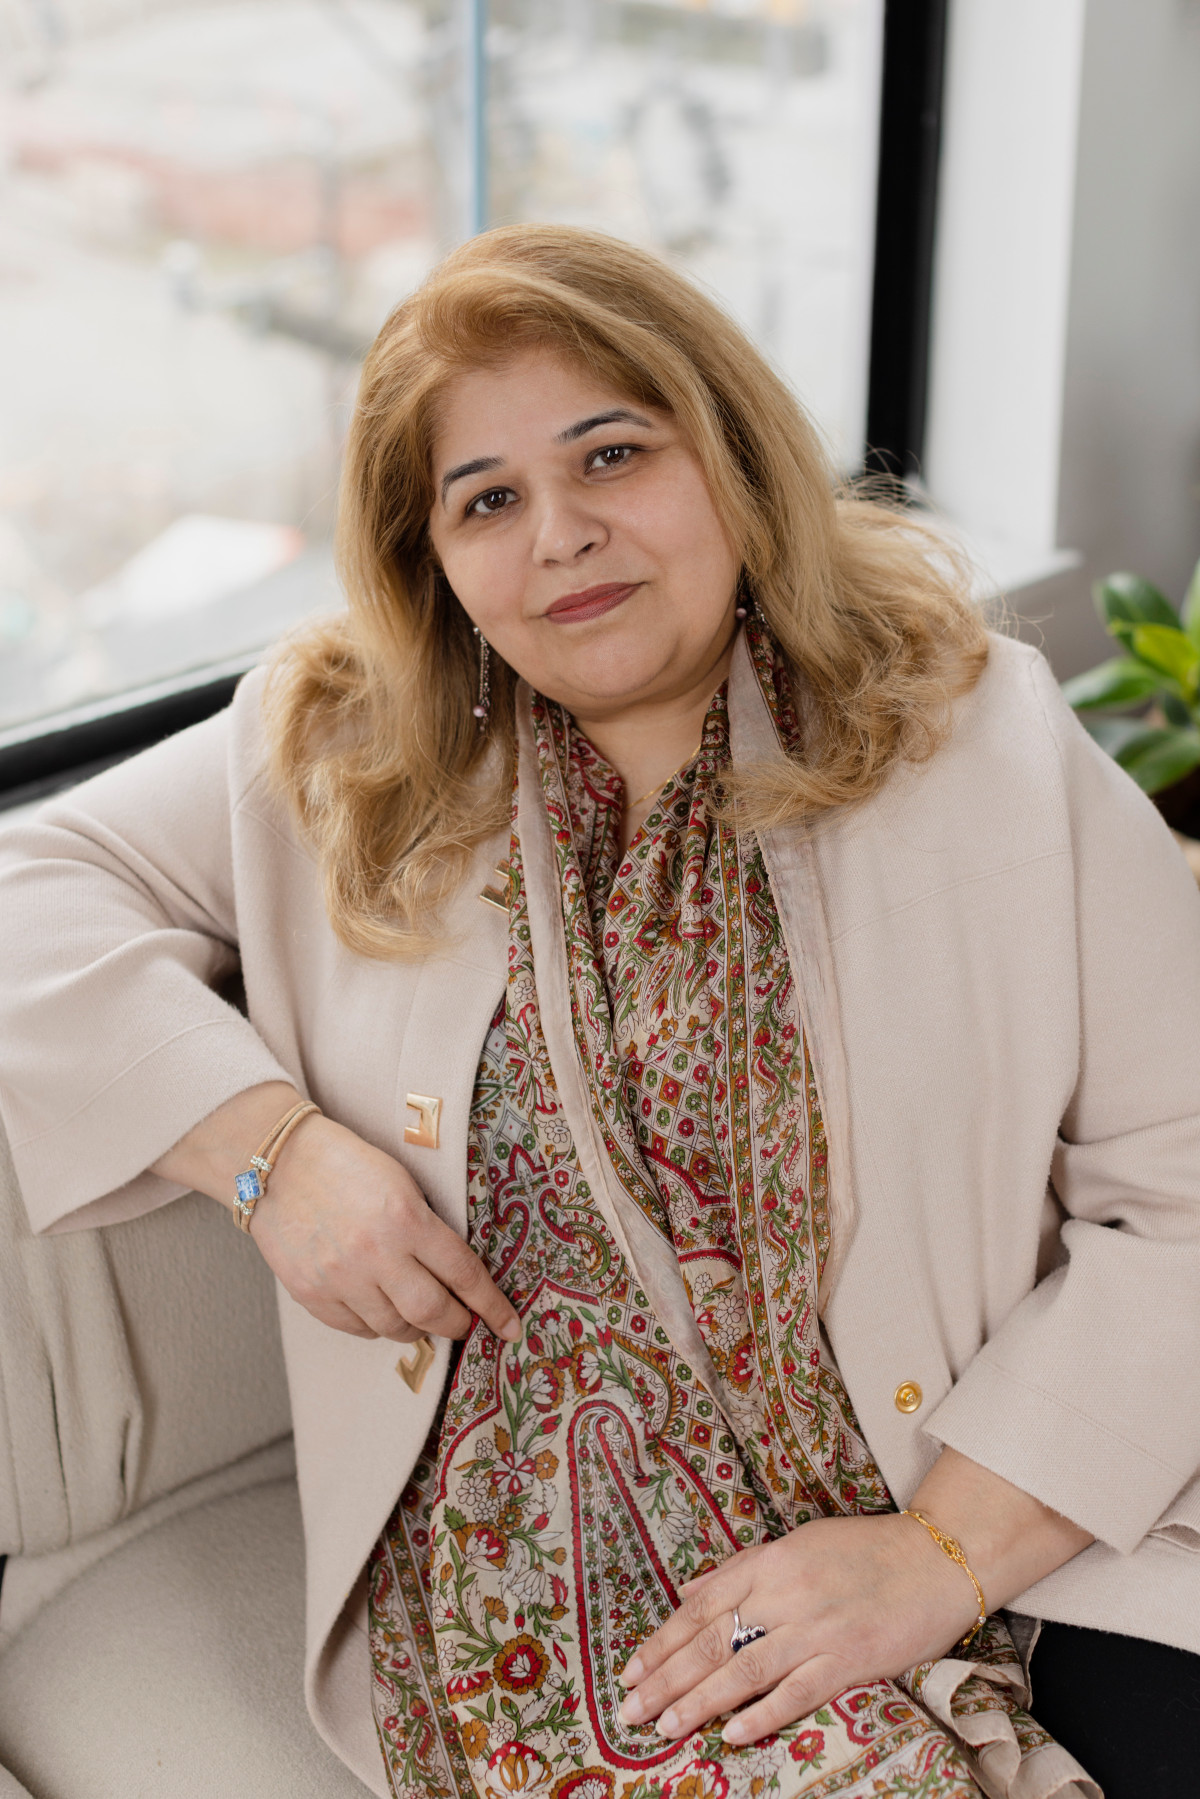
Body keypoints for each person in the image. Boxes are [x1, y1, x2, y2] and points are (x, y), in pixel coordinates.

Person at [1, 226, 1198, 1799]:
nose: (560, 536)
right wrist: (268, 1154)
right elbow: (25, 887)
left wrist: (935, 1557)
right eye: (486, 499)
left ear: (731, 462)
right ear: (432, 560)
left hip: (1006, 1501)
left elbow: (1185, 1196)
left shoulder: (975, 734)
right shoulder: (338, 751)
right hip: (560, 1588)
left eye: (613, 454)